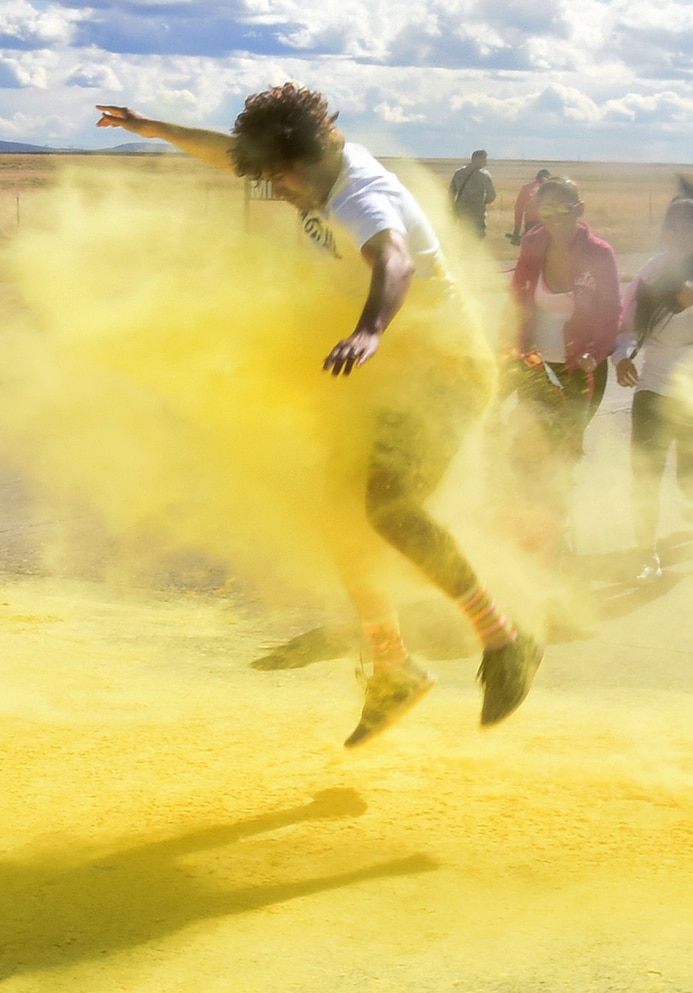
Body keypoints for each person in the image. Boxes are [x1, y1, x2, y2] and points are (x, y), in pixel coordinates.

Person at [96, 88, 541, 747]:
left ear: (310, 155)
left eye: (281, 177)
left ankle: (506, 640)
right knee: (340, 514)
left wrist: (370, 329)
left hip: (443, 372)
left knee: (388, 509)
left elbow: (392, 260)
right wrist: (153, 127)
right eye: (269, 178)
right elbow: (232, 154)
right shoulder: (310, 169)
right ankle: (392, 665)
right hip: (389, 382)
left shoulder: (361, 196)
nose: (277, 191)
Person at [614, 198, 693, 581]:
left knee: (692, 482)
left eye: (687, 228)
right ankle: (647, 554)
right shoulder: (650, 275)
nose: (677, 236)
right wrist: (621, 358)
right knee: (645, 477)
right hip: (653, 387)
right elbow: (624, 329)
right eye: (671, 228)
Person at [506, 177, 621, 566]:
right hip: (536, 368)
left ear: (579, 209)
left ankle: (558, 543)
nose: (554, 217)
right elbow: (518, 300)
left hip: (580, 372)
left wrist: (595, 352)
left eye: (563, 209)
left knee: (561, 456)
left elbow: (611, 315)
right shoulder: (533, 244)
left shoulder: (599, 254)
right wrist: (511, 348)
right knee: (528, 451)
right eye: (546, 209)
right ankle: (536, 539)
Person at [450, 150, 498, 238]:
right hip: (477, 213)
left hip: (462, 212)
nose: (486, 162)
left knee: (464, 236)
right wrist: (483, 202)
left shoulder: (458, 173)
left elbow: (451, 194)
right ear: (478, 159)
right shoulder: (484, 175)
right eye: (484, 159)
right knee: (477, 237)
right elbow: (492, 195)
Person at [509, 168, 551, 244]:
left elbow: (518, 209)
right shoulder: (552, 190)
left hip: (531, 224)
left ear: (536, 177)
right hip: (547, 224)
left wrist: (516, 230)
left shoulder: (527, 188)